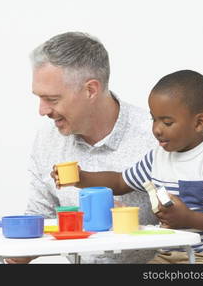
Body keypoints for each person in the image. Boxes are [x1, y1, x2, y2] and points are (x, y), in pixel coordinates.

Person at [53, 69, 203, 263]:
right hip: (170, 255)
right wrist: (81, 178)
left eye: (167, 122)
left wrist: (190, 218)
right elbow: (120, 181)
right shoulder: (157, 158)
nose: (156, 129)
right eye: (154, 119)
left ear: (199, 122)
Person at [8, 32, 158, 264]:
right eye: (40, 98)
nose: (42, 110)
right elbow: (41, 217)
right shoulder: (48, 141)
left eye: (52, 99)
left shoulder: (156, 138)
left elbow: (188, 225)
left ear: (91, 90)